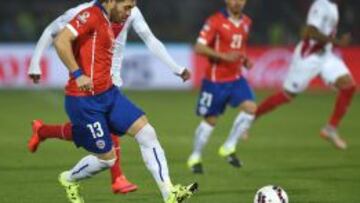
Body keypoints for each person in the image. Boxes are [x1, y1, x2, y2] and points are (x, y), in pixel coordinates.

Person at [27, 0, 191, 194]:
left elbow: (149, 39)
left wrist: (176, 68)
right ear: (112, 1)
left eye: (132, 7)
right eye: (127, 7)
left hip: (109, 91)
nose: (130, 13)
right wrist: (73, 73)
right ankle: (69, 178)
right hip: (84, 100)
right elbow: (59, 38)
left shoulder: (113, 16)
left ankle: (169, 193)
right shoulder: (88, 14)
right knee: (107, 158)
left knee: (147, 133)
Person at [255, 0, 356, 150]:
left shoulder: (334, 6)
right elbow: (309, 32)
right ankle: (252, 117)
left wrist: (333, 42)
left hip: (325, 55)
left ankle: (330, 128)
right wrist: (337, 41)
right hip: (308, 57)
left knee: (349, 86)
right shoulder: (321, 5)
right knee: (287, 95)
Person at [187, 0, 256, 174]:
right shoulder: (215, 21)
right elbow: (199, 47)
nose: (237, 3)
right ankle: (195, 156)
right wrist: (224, 56)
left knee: (251, 108)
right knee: (210, 121)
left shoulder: (247, 22)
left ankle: (229, 146)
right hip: (215, 81)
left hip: (236, 78)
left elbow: (240, 47)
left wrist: (245, 59)